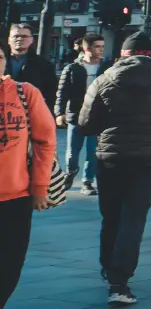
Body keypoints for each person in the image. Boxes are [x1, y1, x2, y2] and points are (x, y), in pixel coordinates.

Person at [78, 32, 151, 305]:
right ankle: (120, 282)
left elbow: (86, 124)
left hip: (110, 158)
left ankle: (109, 268)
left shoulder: (104, 79)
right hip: (148, 159)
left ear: (124, 53)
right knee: (133, 218)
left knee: (111, 216)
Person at [0, 46, 56, 304]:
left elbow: (45, 141)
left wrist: (41, 187)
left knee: (9, 267)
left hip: (16, 197)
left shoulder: (25, 92)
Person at [55, 31, 106, 194]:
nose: (101, 50)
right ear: (86, 48)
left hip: (97, 115)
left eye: (102, 47)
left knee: (93, 152)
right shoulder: (72, 68)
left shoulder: (106, 67)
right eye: (97, 47)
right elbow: (62, 92)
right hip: (75, 115)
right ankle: (70, 172)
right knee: (72, 152)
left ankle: (87, 181)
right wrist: (59, 113)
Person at [6, 23, 58, 109]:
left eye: (24, 36)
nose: (19, 39)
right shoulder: (2, 61)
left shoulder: (44, 65)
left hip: (29, 113)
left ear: (31, 40)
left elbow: (51, 95)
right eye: (16, 36)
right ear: (9, 40)